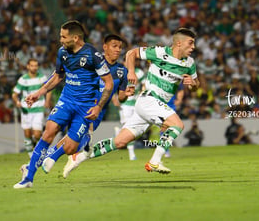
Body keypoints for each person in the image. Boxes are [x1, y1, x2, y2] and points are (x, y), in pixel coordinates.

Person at [62, 27, 199, 177]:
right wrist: (131, 72)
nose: (193, 47)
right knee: (177, 124)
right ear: (179, 43)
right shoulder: (160, 52)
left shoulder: (189, 63)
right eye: (190, 43)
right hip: (149, 100)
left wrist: (192, 83)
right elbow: (131, 53)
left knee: (120, 142)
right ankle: (155, 161)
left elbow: (195, 86)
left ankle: (78, 157)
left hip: (153, 106)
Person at [13, 20, 113, 189]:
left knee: (70, 148)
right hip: (66, 100)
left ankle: (44, 159)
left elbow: (108, 83)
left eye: (63, 37)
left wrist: (98, 107)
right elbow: (58, 76)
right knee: (48, 132)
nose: (60, 40)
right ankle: (28, 178)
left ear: (75, 38)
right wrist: (39, 93)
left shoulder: (93, 55)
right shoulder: (62, 53)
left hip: (85, 106)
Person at [40, 34, 135, 173]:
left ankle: (48, 157)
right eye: (114, 46)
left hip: (98, 112)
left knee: (76, 140)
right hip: (81, 104)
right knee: (73, 137)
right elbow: (65, 72)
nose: (118, 50)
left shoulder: (122, 71)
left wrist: (126, 94)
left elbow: (120, 98)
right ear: (105, 47)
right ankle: (49, 157)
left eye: (120, 47)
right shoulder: (93, 61)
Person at [12, 58, 51, 158]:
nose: (34, 68)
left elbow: (49, 89)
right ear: (28, 66)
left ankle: (37, 152)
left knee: (37, 134)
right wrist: (17, 102)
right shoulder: (23, 79)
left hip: (38, 109)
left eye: (36, 65)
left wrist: (47, 101)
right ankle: (31, 156)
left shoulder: (42, 77)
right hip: (26, 110)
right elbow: (15, 94)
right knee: (27, 134)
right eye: (32, 65)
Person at [112, 60, 145, 161]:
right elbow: (114, 86)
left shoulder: (139, 72)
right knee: (129, 127)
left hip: (136, 104)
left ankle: (119, 133)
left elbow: (144, 85)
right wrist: (114, 98)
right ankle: (132, 154)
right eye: (126, 62)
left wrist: (142, 92)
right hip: (124, 104)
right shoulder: (120, 72)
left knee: (133, 128)